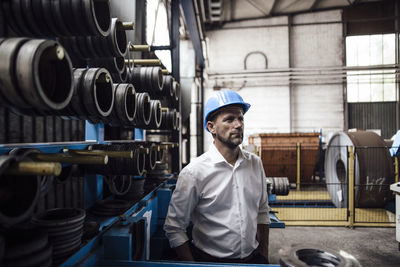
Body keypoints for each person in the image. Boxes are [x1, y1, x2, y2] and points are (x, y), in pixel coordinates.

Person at [164, 89, 270, 263]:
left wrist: (264, 253)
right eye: (229, 119)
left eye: (241, 118)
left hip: (252, 259)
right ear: (211, 127)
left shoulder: (255, 164)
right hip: (209, 261)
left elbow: (262, 212)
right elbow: (174, 228)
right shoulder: (194, 172)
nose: (238, 124)